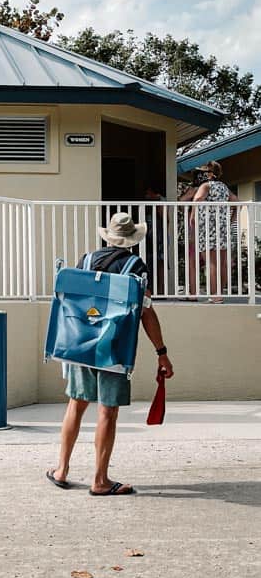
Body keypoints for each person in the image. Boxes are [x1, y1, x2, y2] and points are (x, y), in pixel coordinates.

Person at [47, 212, 174, 496]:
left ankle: (62, 470)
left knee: (75, 405)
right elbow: (146, 312)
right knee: (107, 411)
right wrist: (161, 352)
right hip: (114, 349)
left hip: (81, 343)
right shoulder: (135, 266)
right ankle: (100, 480)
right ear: (132, 240)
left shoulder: (86, 260)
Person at [192, 161, 238, 302]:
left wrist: (193, 216)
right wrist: (231, 220)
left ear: (210, 174)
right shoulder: (224, 187)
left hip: (208, 228)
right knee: (221, 263)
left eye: (205, 172)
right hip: (222, 228)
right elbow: (236, 201)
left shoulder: (206, 186)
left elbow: (197, 199)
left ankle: (214, 296)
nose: (203, 175)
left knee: (211, 263)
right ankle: (219, 294)